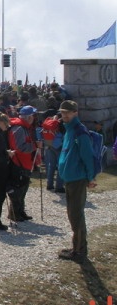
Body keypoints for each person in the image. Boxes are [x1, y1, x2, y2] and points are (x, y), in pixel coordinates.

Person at [57, 100, 96, 263]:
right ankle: (76, 247)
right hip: (70, 177)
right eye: (62, 112)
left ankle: (80, 251)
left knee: (76, 215)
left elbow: (88, 156)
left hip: (77, 178)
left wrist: (91, 177)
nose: (64, 115)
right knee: (73, 214)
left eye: (67, 112)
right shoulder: (69, 129)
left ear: (75, 113)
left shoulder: (80, 131)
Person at [7, 105, 41, 221]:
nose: (34, 118)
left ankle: (20, 212)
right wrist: (35, 145)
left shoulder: (24, 128)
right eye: (33, 116)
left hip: (24, 163)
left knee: (23, 189)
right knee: (18, 190)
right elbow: (20, 147)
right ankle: (14, 214)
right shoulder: (20, 129)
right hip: (19, 163)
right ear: (29, 117)